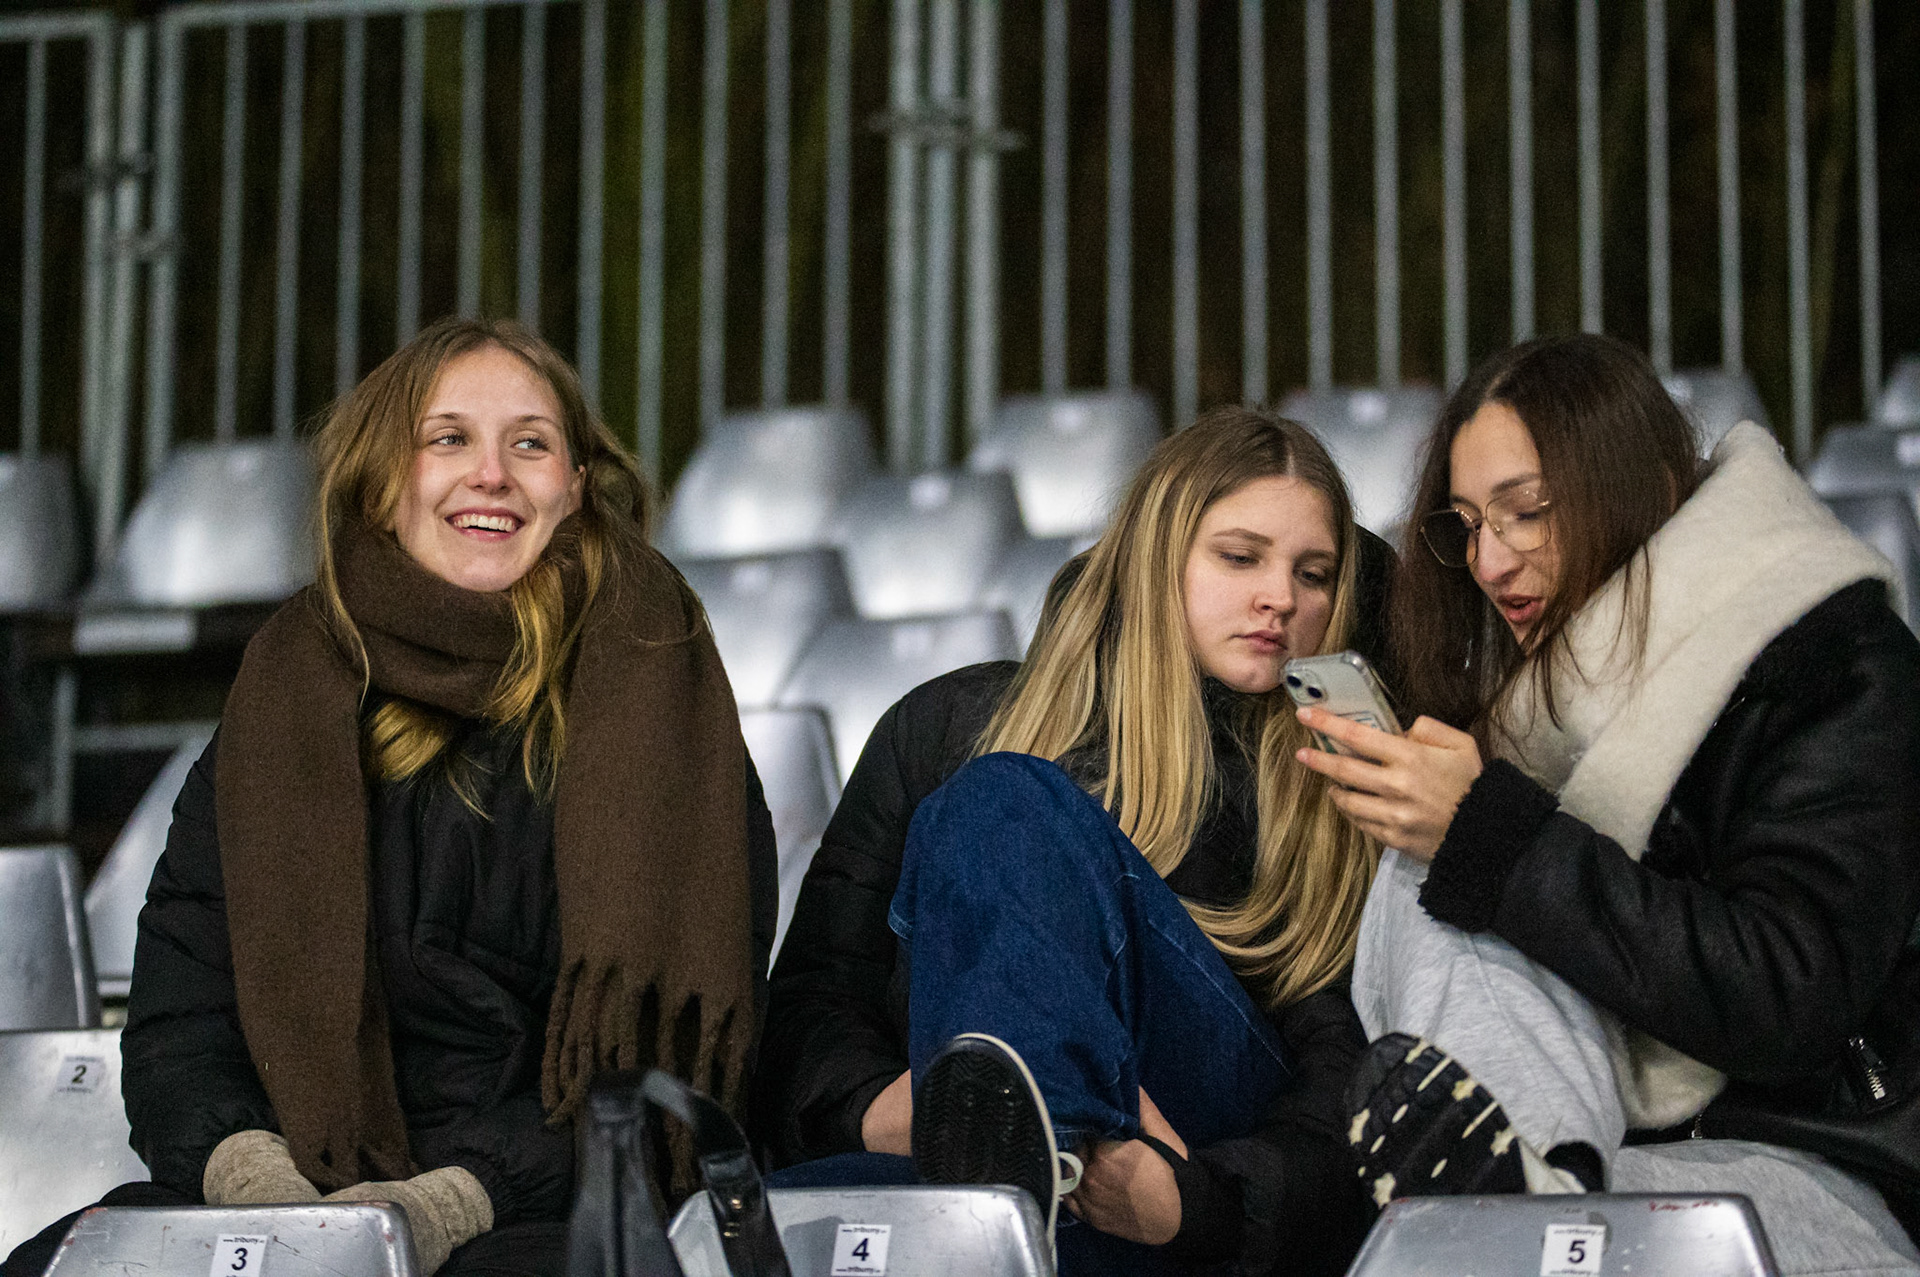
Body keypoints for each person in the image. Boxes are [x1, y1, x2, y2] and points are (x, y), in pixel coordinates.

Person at [2, 318, 777, 1277]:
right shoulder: (285, 690)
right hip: (292, 1181)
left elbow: (661, 1072)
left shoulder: (667, 706)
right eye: (448, 438)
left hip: (538, 1207)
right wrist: (255, 1180)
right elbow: (182, 1015)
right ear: (383, 478)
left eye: (530, 444)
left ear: (575, 486)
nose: (490, 474)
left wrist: (446, 1201)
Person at [1294, 333, 1920, 1276]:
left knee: (1466, 843)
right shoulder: (1526, 701)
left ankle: (1529, 1211)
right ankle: (1532, 1198)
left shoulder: (1835, 659)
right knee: (1429, 863)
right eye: (1468, 525)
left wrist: (1494, 835)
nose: (1488, 561)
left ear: (1648, 488)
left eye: (1526, 513)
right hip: (1607, 1163)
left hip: (1818, 1164)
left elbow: (1792, 995)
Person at [755, 407, 1390, 1275]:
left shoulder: (1325, 778)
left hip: (1195, 1165)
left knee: (1006, 800)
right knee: (767, 1218)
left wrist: (1192, 1202)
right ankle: (1009, 1150)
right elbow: (814, 999)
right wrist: (888, 1109)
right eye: (1241, 557)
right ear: (1154, 557)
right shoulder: (945, 725)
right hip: (995, 1172)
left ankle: (1018, 1148)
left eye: (1313, 574)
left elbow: (1341, 1073)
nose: (1281, 596)